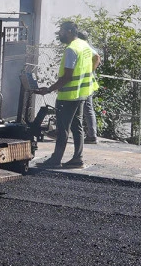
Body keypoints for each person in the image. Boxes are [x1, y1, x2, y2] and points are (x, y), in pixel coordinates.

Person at [35, 20, 99, 169]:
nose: (60, 34)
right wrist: (90, 73)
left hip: (68, 97)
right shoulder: (84, 44)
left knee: (63, 129)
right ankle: (78, 159)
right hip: (82, 94)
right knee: (77, 127)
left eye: (62, 31)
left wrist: (49, 89)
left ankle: (56, 160)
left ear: (69, 31)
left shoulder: (71, 49)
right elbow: (97, 58)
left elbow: (67, 77)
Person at [79, 29, 100, 144]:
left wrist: (90, 70)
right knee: (86, 109)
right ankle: (91, 135)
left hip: (86, 84)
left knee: (87, 108)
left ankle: (92, 136)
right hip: (86, 83)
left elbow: (97, 57)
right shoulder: (86, 46)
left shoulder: (85, 47)